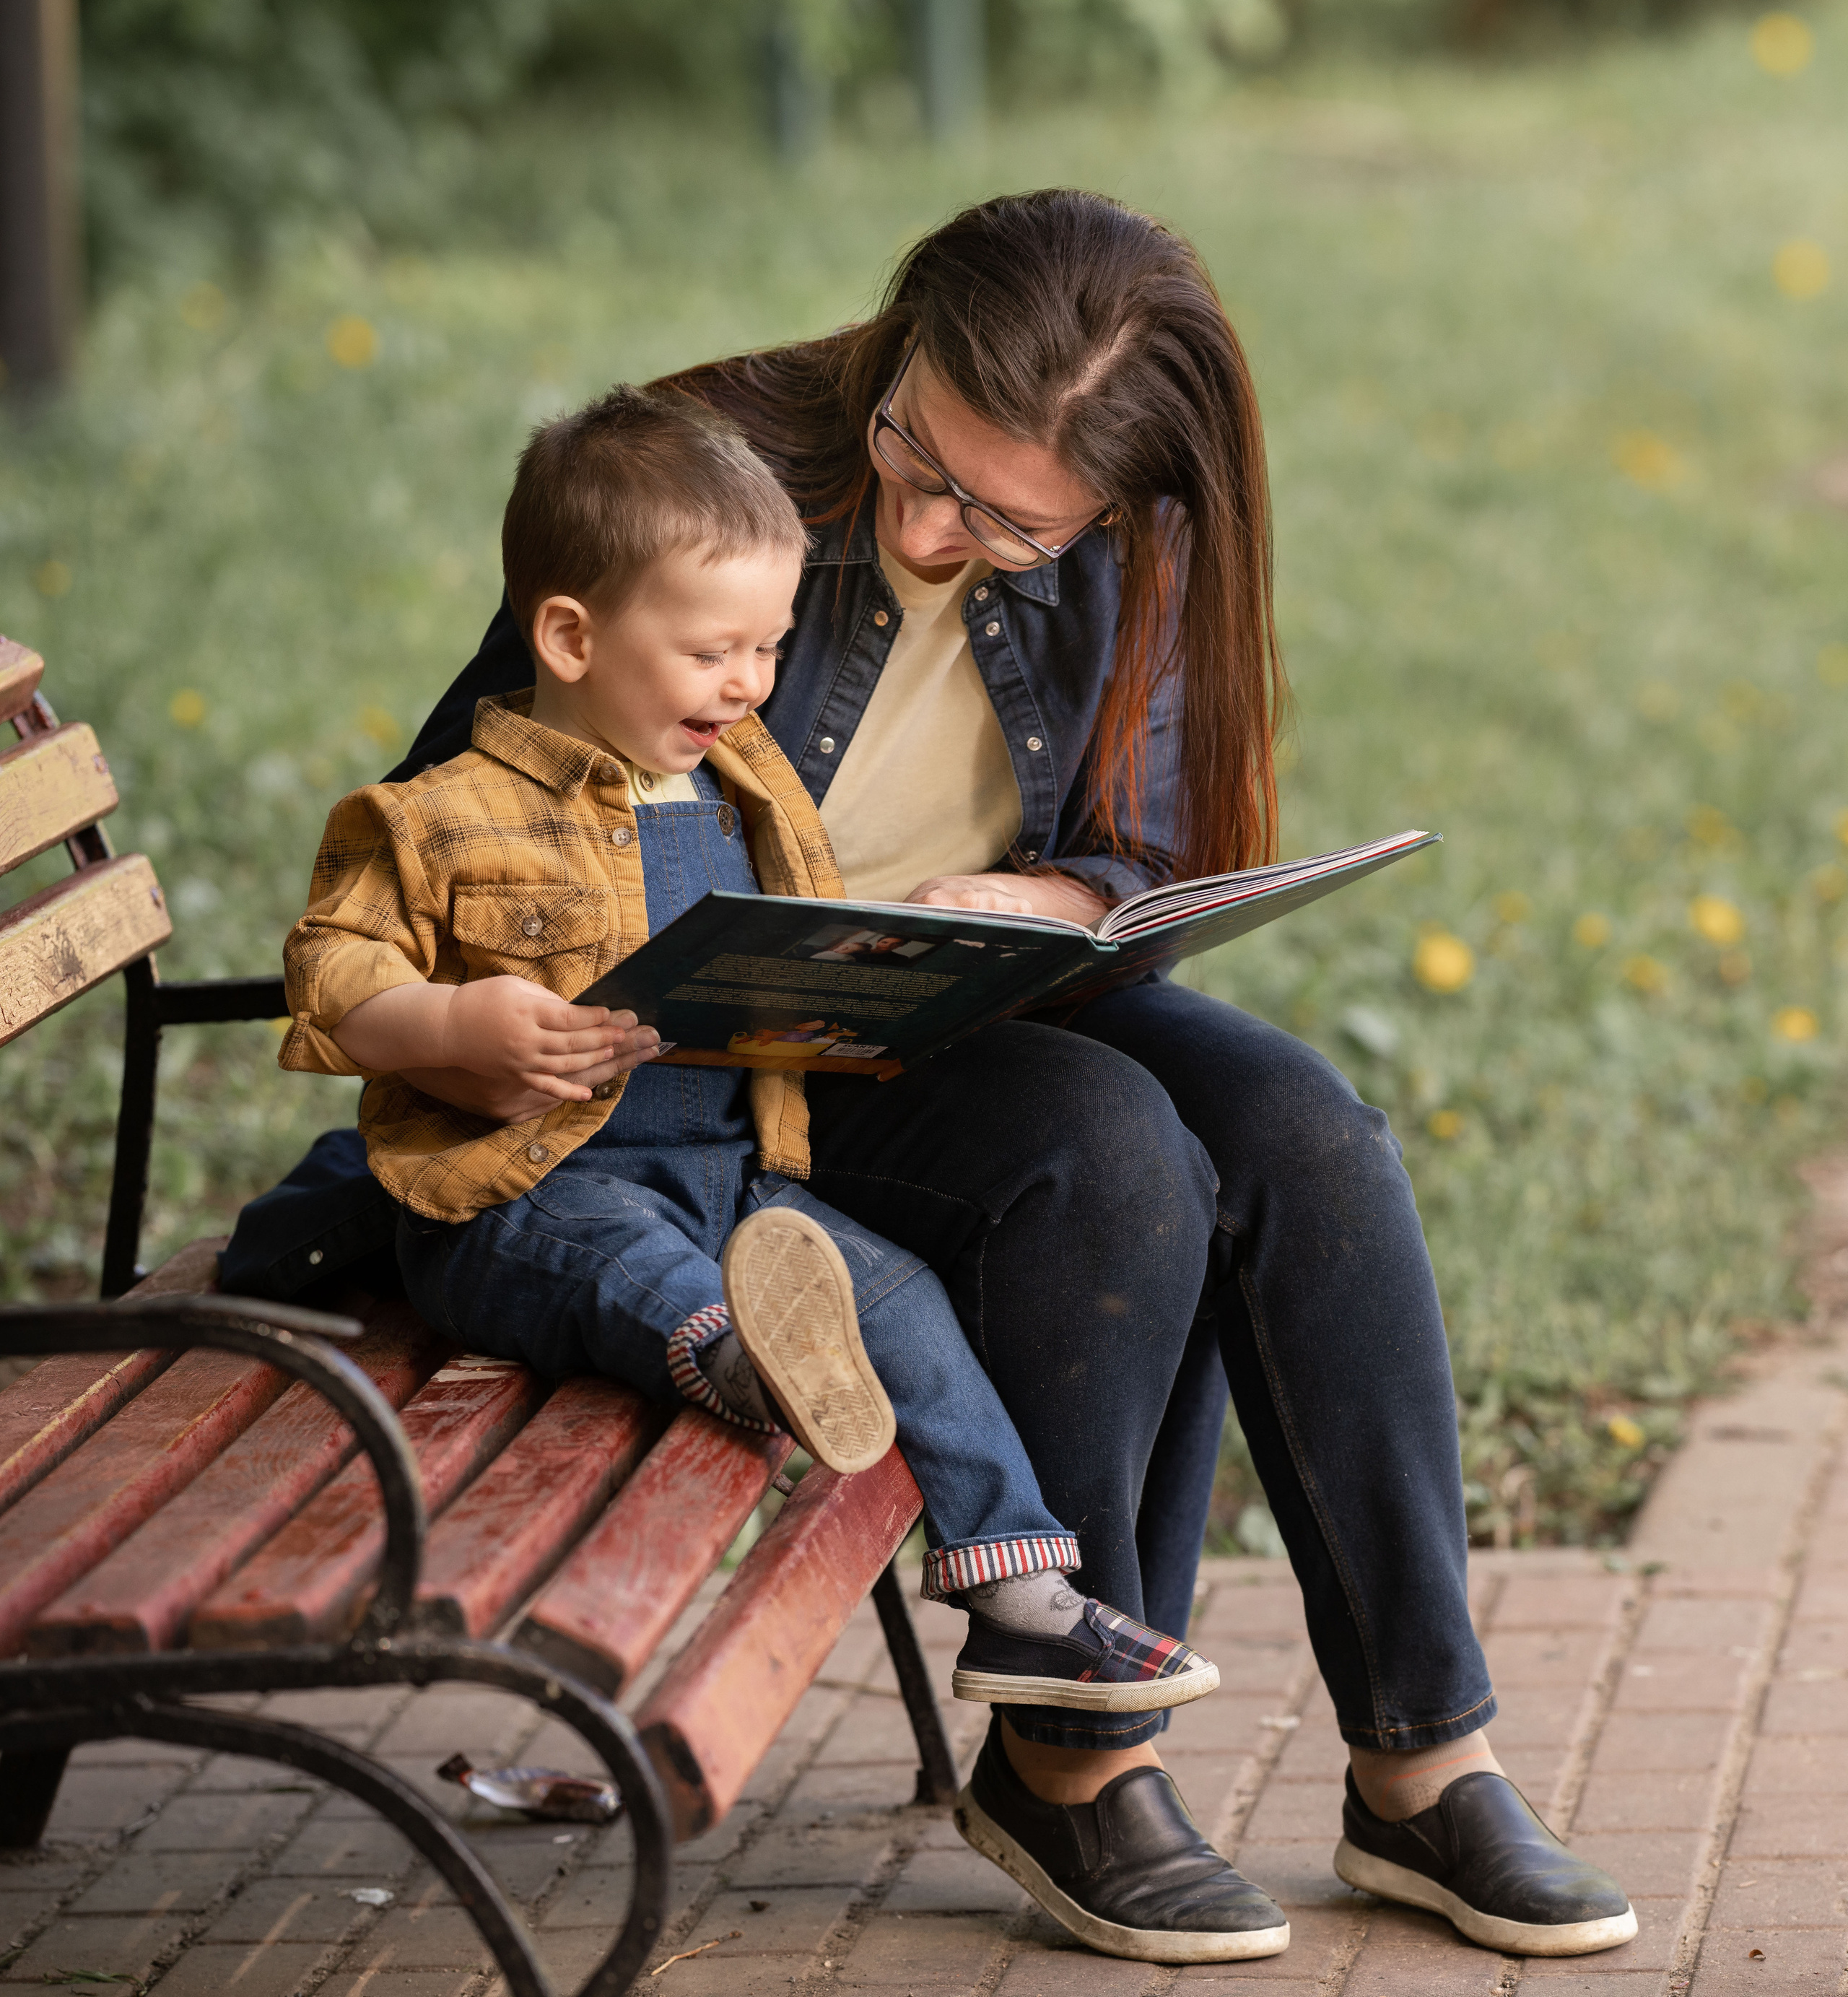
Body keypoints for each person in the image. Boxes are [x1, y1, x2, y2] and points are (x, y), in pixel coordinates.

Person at [228, 190, 1636, 1961]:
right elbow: (456, 816)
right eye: (916, 450)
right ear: (896, 355)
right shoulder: (708, 476)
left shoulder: (1132, 541)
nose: (925, 518)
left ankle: (1425, 1768)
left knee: (1309, 1134)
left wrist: (1040, 896)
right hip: (695, 1077)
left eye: (1001, 520)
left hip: (955, 1007)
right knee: (1112, 1145)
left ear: (1115, 507)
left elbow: (1138, 848)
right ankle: (1073, 1766)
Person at [276, 386, 1239, 1855]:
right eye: (714, 650)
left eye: (771, 647)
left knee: (896, 1298)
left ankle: (1016, 1584)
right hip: (525, 1188)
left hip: (729, 1169)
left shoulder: (741, 785)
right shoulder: (437, 818)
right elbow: (334, 971)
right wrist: (454, 1025)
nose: (749, 681)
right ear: (569, 640)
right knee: (615, 1259)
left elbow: (801, 926)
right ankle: (737, 1356)